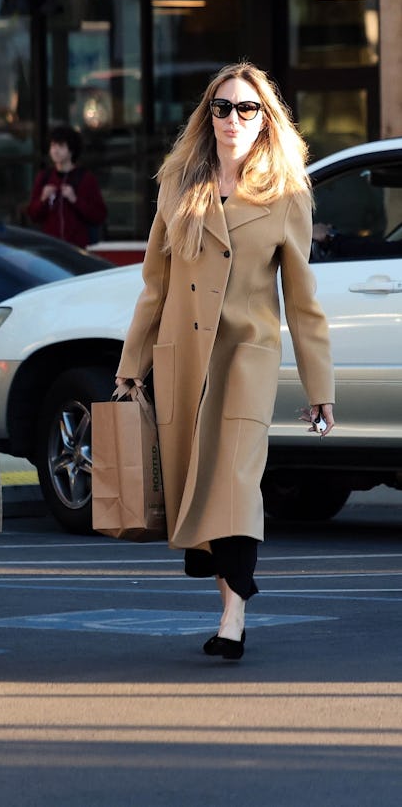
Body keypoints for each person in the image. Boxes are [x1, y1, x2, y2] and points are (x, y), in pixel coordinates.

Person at [115, 62, 335, 660]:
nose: (233, 119)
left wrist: (320, 388)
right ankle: (228, 602)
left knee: (235, 481)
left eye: (246, 108)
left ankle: (234, 614)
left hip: (247, 356)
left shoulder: (286, 194)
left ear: (265, 120)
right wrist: (132, 365)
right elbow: (155, 286)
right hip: (184, 357)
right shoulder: (177, 185)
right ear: (207, 115)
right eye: (222, 107)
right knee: (198, 483)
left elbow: (303, 301)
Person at [27, 125, 107, 248]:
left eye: (61, 146)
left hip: (77, 247)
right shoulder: (44, 177)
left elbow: (99, 215)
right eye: (53, 146)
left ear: (71, 150)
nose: (55, 151)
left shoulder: (85, 178)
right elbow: (33, 215)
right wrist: (43, 199)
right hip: (50, 247)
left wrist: (75, 200)